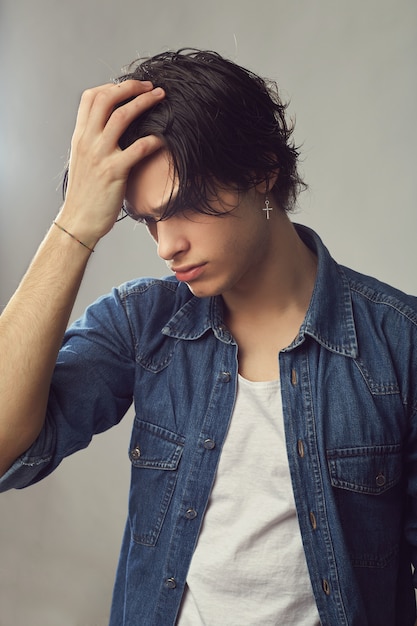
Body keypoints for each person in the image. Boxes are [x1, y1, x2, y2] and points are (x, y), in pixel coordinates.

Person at [0, 48, 416, 626]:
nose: (166, 245)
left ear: (262, 170)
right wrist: (75, 224)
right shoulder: (143, 325)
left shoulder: (400, 344)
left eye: (186, 208)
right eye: (148, 220)